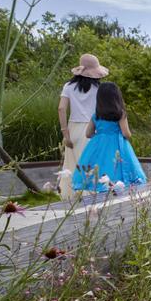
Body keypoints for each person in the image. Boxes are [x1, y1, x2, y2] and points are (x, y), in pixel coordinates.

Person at [71, 82, 147, 193]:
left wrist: (100, 135)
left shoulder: (96, 115)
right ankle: (117, 189)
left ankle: (102, 189)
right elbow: (126, 134)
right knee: (117, 168)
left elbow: (88, 134)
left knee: (100, 167)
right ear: (117, 97)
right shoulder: (120, 114)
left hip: (99, 145)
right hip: (117, 145)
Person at [58, 54, 108, 199]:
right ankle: (91, 198)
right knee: (92, 164)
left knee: (73, 165)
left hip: (73, 128)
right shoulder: (99, 88)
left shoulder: (68, 86)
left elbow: (61, 109)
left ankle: (72, 196)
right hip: (93, 129)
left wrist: (65, 134)